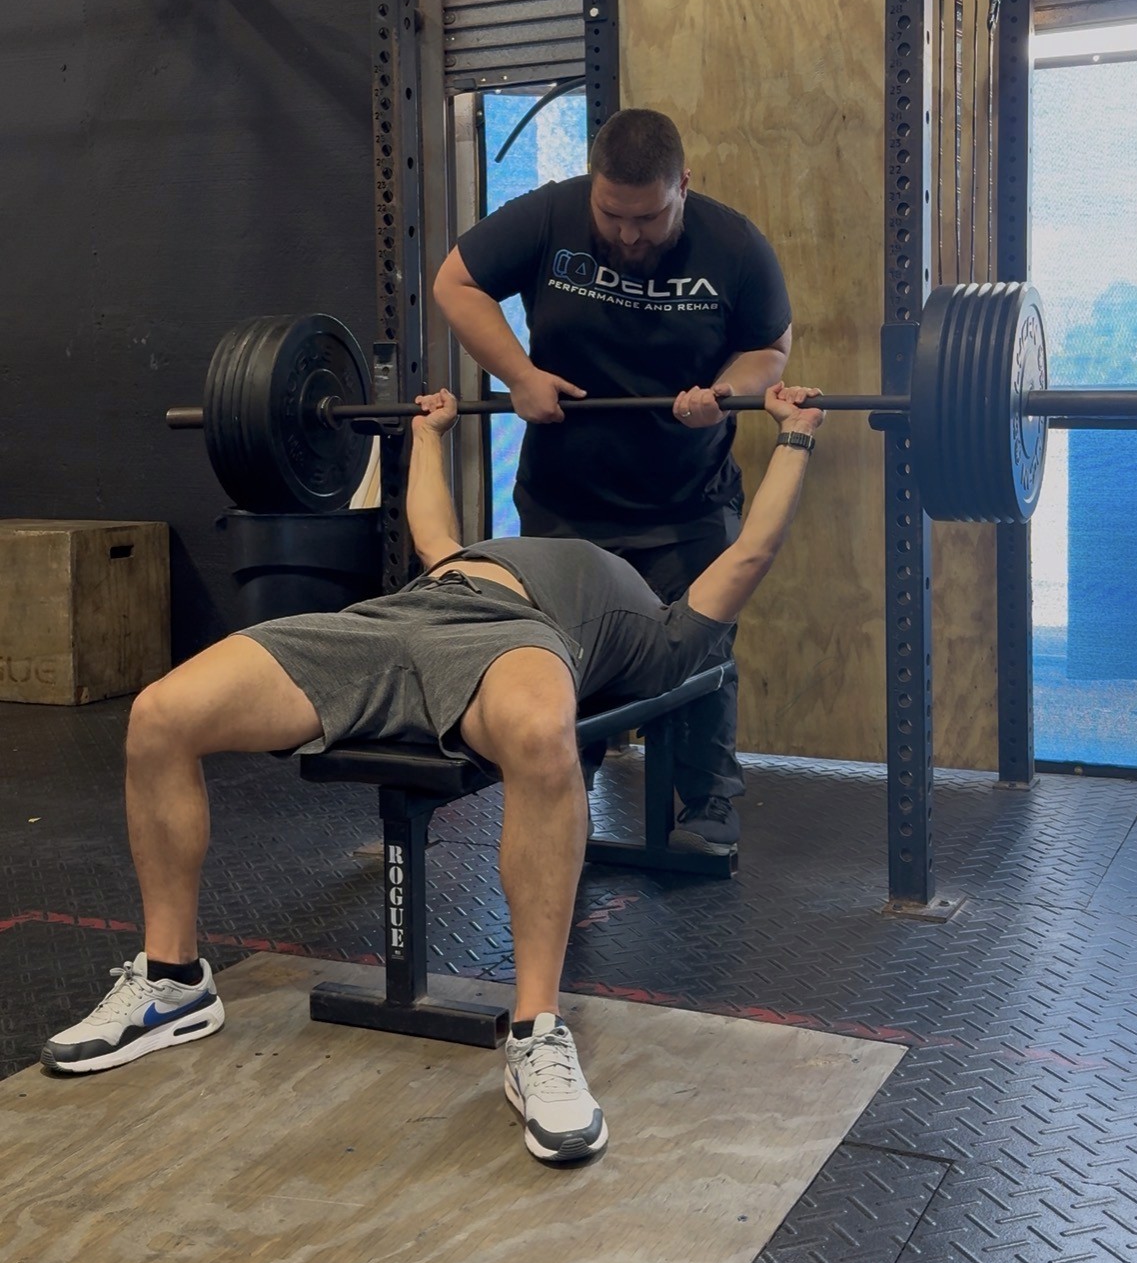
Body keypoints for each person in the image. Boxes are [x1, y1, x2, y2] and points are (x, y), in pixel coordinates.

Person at [41, 382, 823, 1166]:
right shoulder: (473, 555)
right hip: (391, 620)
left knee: (541, 736)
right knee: (161, 713)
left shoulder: (666, 633)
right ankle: (174, 981)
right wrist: (432, 431)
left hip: (515, 639)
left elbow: (750, 549)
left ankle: (536, 1032)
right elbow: (431, 532)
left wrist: (795, 437)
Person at [433, 107, 793, 855]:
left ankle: (706, 810)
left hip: (684, 500)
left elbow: (769, 347)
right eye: (611, 214)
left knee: (700, 652)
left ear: (682, 186)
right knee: (562, 656)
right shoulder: (549, 214)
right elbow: (456, 283)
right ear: (592, 187)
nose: (628, 233)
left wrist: (723, 392)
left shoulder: (732, 245)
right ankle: (567, 796)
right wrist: (519, 375)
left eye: (648, 217)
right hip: (567, 503)